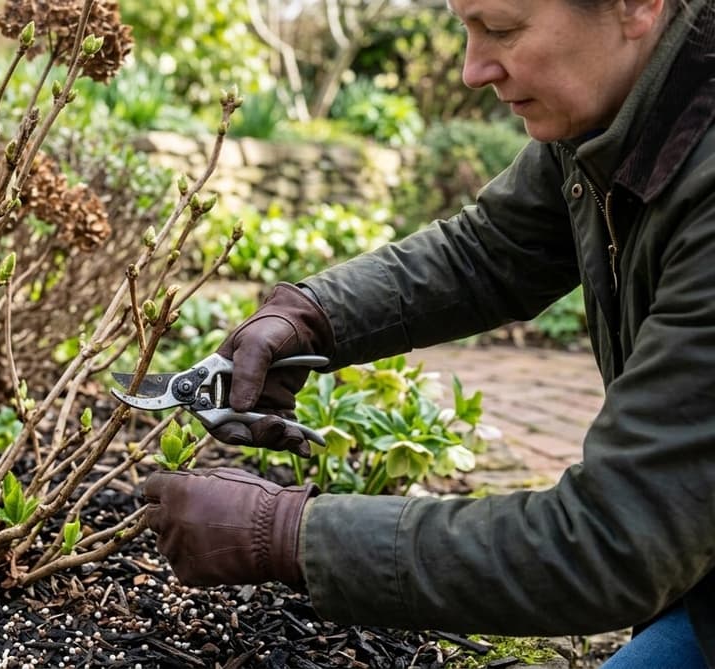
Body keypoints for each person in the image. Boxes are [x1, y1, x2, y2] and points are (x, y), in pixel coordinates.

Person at [141, 0, 715, 666]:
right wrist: (314, 315)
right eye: (465, 27)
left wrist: (290, 533)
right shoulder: (616, 111)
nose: (473, 69)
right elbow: (492, 251)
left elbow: (610, 541)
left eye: (501, 29)